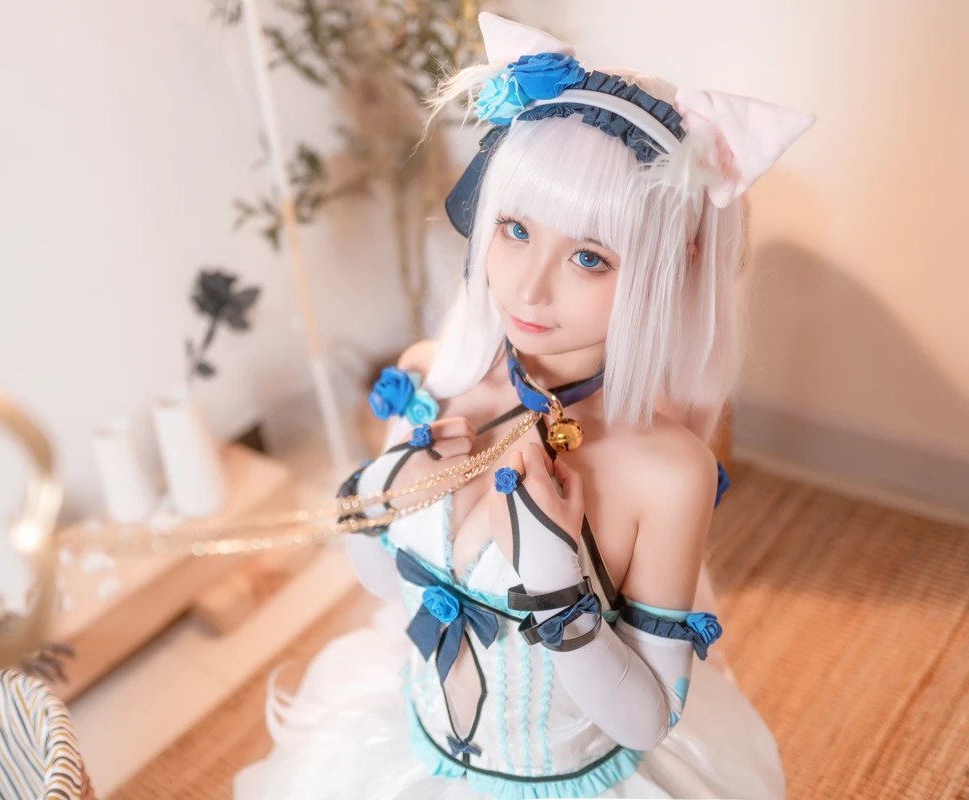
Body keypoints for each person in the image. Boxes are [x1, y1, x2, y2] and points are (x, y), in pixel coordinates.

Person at [234, 12, 813, 799]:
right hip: (408, 748)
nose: (530, 288)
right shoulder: (433, 377)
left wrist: (558, 588)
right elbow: (386, 585)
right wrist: (383, 491)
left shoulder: (666, 471)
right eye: (513, 228)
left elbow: (645, 720)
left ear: (666, 271)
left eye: (589, 257)